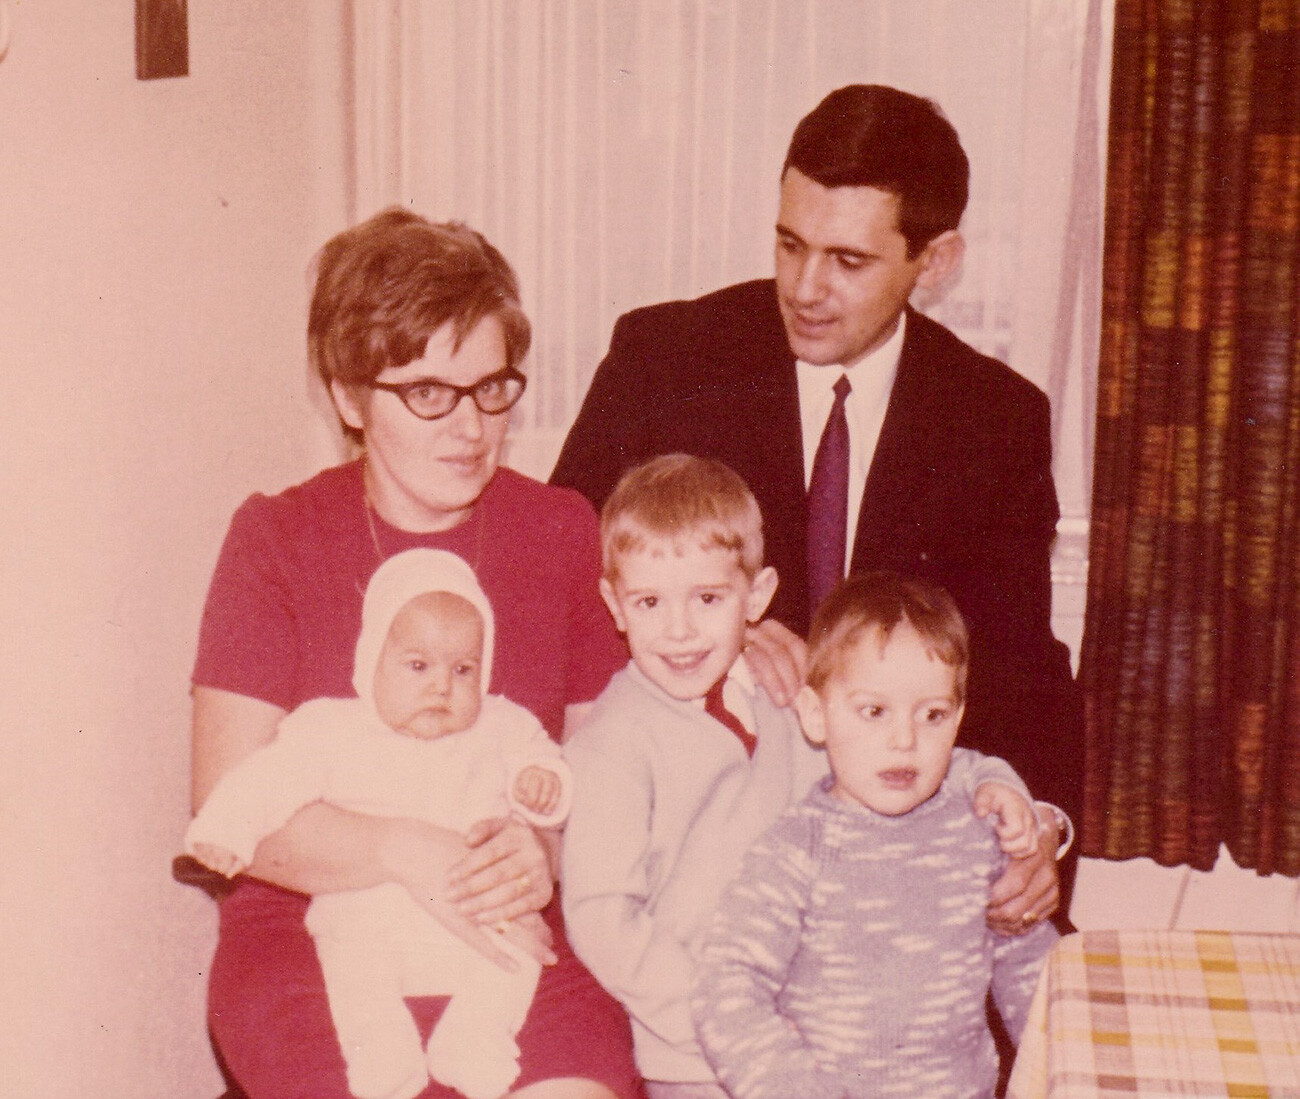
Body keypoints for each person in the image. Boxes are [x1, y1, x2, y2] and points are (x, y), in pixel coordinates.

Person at [551, 84, 1083, 923]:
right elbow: (562, 575)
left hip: (899, 861)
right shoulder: (666, 361)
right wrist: (711, 629)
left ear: (935, 260)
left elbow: (1019, 662)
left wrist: (1042, 831)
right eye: (790, 244)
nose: (804, 287)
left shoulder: (994, 418)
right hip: (691, 854)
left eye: (849, 260)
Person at [190, 208, 641, 1099]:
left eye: (491, 387)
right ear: (350, 396)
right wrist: (408, 849)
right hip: (312, 934)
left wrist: (540, 842)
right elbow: (230, 809)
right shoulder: (274, 540)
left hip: (503, 932)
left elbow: (605, 761)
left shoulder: (560, 529)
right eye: (428, 393)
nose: (470, 426)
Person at [561, 455, 1038, 1099]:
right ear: (614, 605)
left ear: (755, 598)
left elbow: (891, 766)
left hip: (815, 1038)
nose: (679, 629)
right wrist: (712, 1020)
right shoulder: (610, 745)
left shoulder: (784, 698)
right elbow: (601, 917)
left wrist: (1006, 793)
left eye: (707, 598)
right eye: (649, 601)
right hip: (697, 1055)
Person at [187, 549, 574, 1099]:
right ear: (372, 661)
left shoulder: (501, 725)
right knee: (350, 963)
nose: (442, 686)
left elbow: (544, 764)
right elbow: (267, 779)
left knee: (524, 953)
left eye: (463, 670)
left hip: (475, 912)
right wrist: (227, 829)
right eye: (418, 666)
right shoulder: (332, 728)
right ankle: (382, 1055)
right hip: (369, 908)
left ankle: (474, 1038)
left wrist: (543, 786)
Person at [692, 571, 1059, 1099]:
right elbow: (725, 987)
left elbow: (1032, 975)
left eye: (932, 715)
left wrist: (1059, 1075)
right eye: (874, 711)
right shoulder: (796, 851)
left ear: (958, 720)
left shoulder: (974, 832)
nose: (904, 740)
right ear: (816, 716)